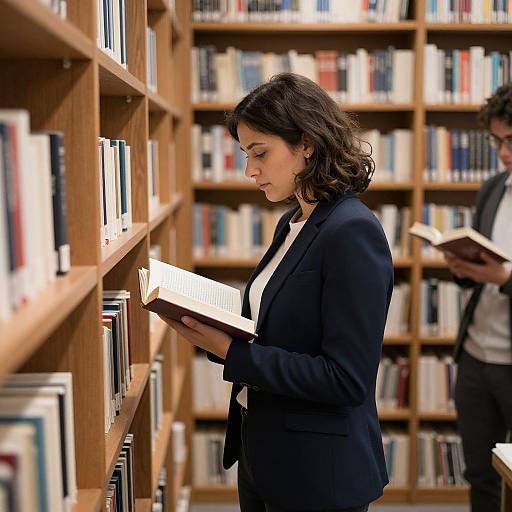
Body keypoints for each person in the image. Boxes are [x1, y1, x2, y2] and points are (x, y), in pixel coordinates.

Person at [161, 73, 393, 512]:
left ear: (306, 142)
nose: (250, 170)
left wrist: (233, 353)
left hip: (316, 471)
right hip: (263, 450)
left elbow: (346, 379)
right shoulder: (292, 223)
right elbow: (276, 329)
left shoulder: (352, 232)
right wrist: (212, 330)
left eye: (260, 153)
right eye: (246, 154)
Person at [444, 84, 512, 512]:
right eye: (498, 140)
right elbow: (484, 264)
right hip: (475, 355)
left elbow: (502, 273)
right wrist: (463, 267)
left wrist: (505, 276)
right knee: (480, 475)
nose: (503, 151)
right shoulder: (492, 189)